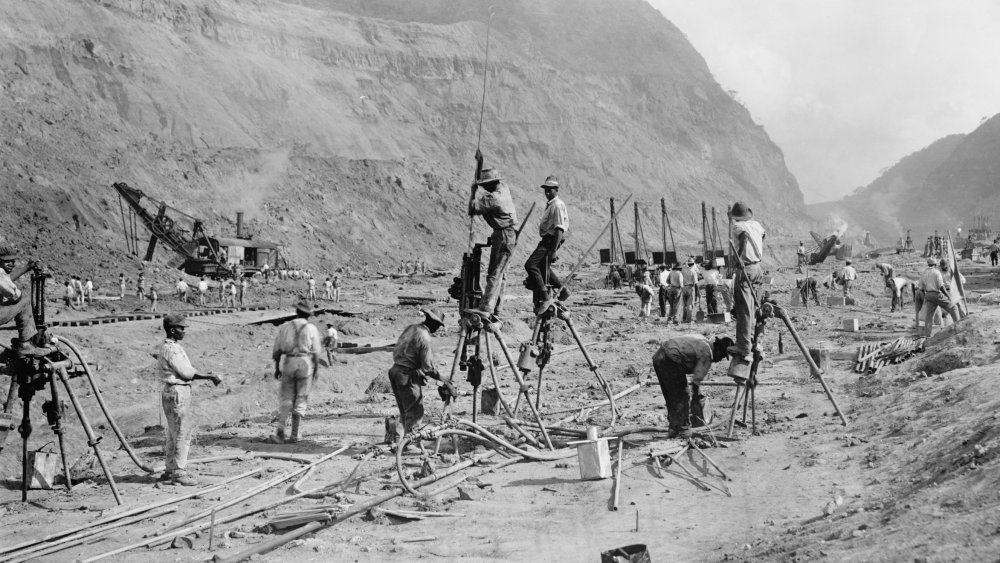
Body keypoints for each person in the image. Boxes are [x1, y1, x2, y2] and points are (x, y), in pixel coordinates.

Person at [157, 314, 221, 486]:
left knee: (173, 433)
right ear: (172, 330)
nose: (184, 331)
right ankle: (178, 471)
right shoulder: (172, 349)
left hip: (172, 391)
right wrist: (209, 376)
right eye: (181, 328)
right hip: (177, 391)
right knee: (181, 433)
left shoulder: (171, 347)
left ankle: (170, 469)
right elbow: (186, 373)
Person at [387, 308, 456, 447]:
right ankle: (411, 444)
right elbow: (428, 367)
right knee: (415, 412)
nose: (437, 328)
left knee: (404, 410)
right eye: (438, 325)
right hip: (406, 375)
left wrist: (417, 370)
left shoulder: (411, 328)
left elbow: (405, 351)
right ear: (434, 324)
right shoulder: (424, 336)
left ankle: (402, 441)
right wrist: (444, 380)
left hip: (395, 371)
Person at [652, 334, 734, 438]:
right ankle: (683, 430)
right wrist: (696, 400)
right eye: (722, 355)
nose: (720, 359)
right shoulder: (707, 354)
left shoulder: (702, 340)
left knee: (671, 396)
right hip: (670, 359)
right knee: (683, 395)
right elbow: (695, 383)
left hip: (659, 356)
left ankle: (674, 428)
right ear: (717, 349)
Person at [268, 300, 323, 444]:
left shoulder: (285, 327)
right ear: (308, 315)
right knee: (301, 396)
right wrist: (316, 369)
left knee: (286, 397)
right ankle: (295, 434)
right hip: (305, 362)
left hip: (289, 362)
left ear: (297, 312)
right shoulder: (311, 328)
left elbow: (277, 350)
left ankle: (280, 432)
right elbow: (316, 352)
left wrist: (277, 368)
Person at [467, 167, 519, 319]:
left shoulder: (494, 198)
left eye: (485, 185)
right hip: (509, 233)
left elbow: (473, 208)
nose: (484, 188)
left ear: (491, 184)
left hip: (504, 234)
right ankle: (497, 309)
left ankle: (486, 307)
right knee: (502, 274)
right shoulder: (504, 188)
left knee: (494, 273)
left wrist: (473, 191)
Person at [524, 175, 569, 314]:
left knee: (531, 265)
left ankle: (544, 296)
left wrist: (554, 250)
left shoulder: (557, 205)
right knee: (543, 267)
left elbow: (559, 230)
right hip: (548, 240)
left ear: (556, 190)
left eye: (550, 190)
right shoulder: (551, 205)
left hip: (551, 240)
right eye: (546, 189)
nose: (547, 192)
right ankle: (563, 289)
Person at [729, 201, 765, 366]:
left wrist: (740, 258)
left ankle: (744, 347)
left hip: (746, 268)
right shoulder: (756, 225)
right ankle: (752, 340)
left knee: (743, 309)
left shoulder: (738, 227)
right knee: (753, 306)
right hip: (758, 268)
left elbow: (743, 238)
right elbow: (762, 236)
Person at [918, 258, 960, 337]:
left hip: (928, 295)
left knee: (929, 316)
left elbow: (921, 287)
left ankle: (928, 335)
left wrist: (926, 297)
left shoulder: (924, 272)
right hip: (936, 294)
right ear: (936, 264)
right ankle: (958, 329)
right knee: (954, 308)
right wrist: (947, 296)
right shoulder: (936, 272)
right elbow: (941, 286)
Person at [681, 258, 699, 323]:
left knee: (684, 304)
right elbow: (696, 283)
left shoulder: (682, 270)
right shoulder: (693, 271)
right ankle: (689, 319)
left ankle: (684, 318)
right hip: (690, 288)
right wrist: (697, 292)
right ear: (693, 264)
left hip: (683, 288)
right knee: (690, 304)